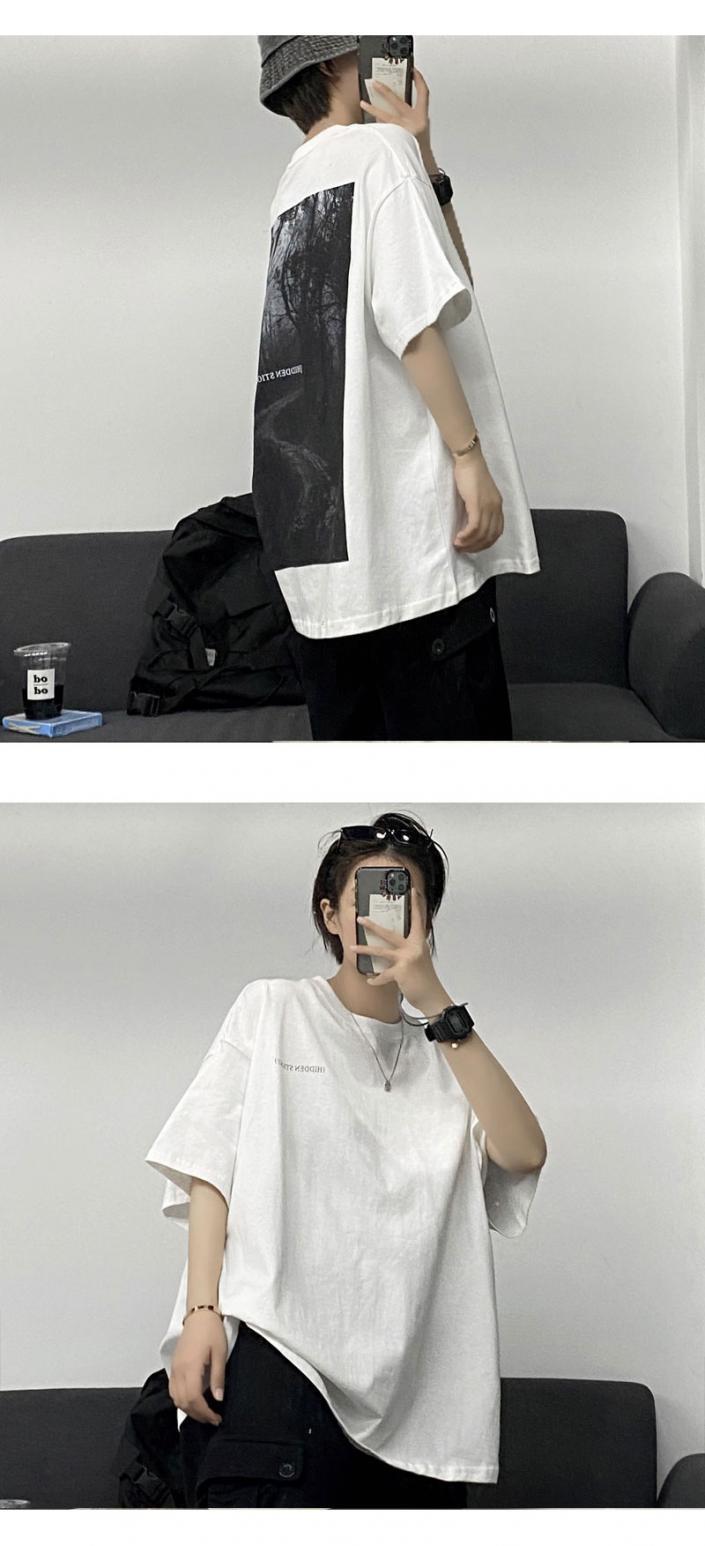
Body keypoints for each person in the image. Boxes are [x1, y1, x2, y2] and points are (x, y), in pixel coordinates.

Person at [144, 811, 547, 1508]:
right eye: (367, 897)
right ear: (332, 915)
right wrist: (201, 1312)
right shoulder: (273, 1008)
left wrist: (433, 1000)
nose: (384, 915)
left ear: (426, 918)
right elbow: (211, 1166)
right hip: (279, 1361)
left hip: (420, 1406)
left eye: (404, 898)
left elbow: (523, 1152)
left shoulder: (450, 1054)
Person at [251, 38, 541, 740]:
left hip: (326, 564)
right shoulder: (377, 155)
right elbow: (415, 319)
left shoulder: (294, 184)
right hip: (414, 551)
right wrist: (469, 457)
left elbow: (443, 284)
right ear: (331, 64)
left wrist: (425, 159)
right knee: (459, 785)